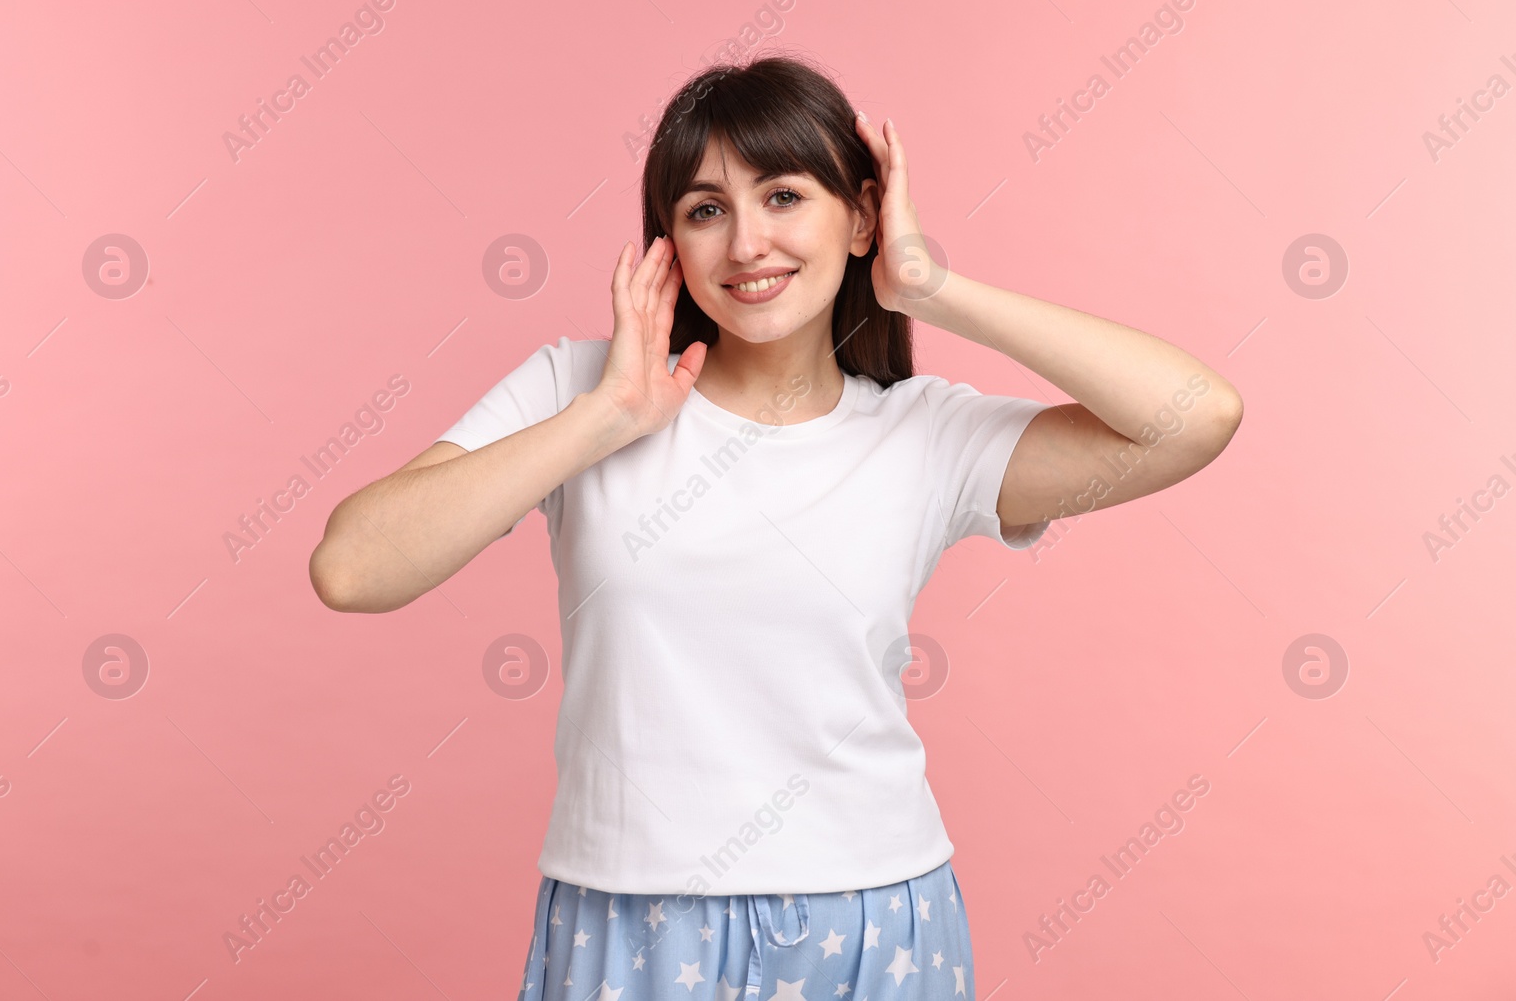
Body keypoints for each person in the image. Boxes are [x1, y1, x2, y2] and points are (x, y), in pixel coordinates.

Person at [308, 54, 1243, 1000]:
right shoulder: (574, 387)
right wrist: (606, 419)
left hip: (877, 923)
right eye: (706, 209)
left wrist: (929, 287)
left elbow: (1195, 415)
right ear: (668, 240)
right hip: (633, 921)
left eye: (785, 195)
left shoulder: (925, 433)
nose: (747, 242)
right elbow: (351, 567)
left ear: (863, 216)